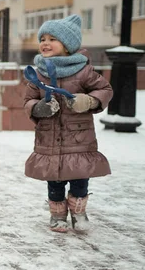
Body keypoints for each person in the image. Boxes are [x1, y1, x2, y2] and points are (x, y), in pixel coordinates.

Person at [23, 14, 113, 233]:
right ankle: (57, 216)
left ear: (68, 45)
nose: (45, 43)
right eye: (42, 38)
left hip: (79, 138)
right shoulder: (38, 74)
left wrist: (89, 101)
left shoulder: (84, 71)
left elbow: (105, 90)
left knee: (80, 179)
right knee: (54, 180)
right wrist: (38, 108)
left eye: (52, 38)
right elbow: (28, 99)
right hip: (49, 137)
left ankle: (79, 214)